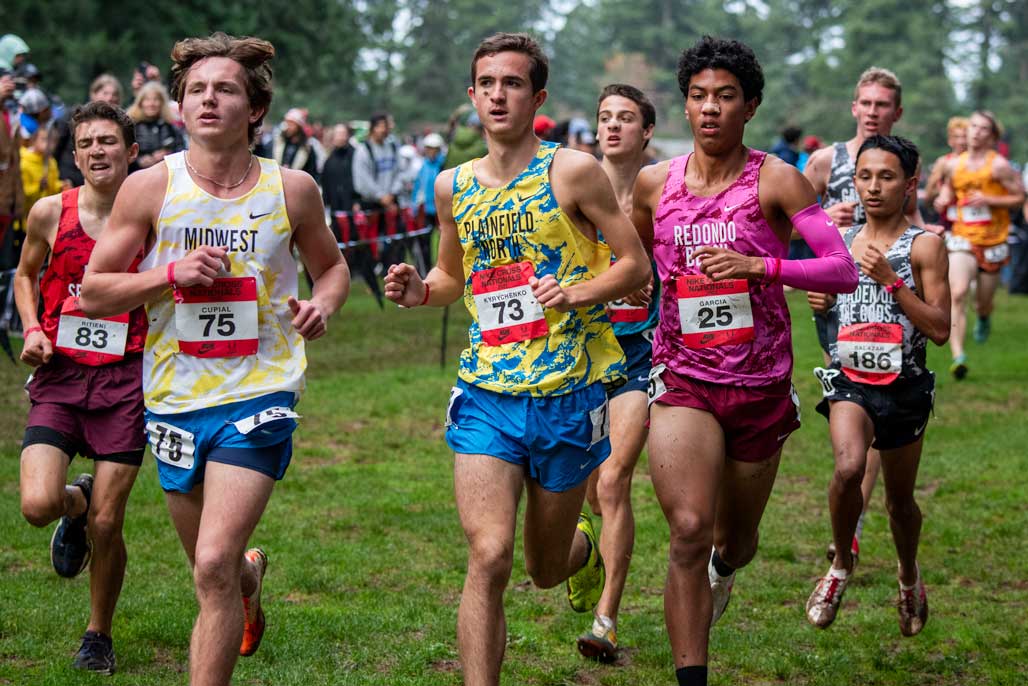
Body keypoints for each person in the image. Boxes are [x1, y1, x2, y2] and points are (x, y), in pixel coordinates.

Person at [80, 32, 350, 686]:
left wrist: (323, 305)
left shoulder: (293, 189)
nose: (208, 99)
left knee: (209, 564)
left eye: (225, 89)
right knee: (216, 569)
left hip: (261, 391)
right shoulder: (149, 188)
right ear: (179, 106)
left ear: (254, 108)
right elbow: (94, 291)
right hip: (175, 396)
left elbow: (333, 268)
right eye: (196, 89)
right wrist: (167, 274)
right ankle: (248, 580)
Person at [384, 32, 650, 686]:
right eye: (487, 84)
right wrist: (421, 290)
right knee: (489, 555)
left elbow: (635, 265)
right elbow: (452, 277)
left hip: (568, 396)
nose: (498, 95)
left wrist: (576, 291)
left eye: (512, 83)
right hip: (487, 393)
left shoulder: (573, 172)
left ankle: (581, 552)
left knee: (543, 568)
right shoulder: (452, 185)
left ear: (538, 97)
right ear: (472, 95)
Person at [632, 36, 857, 686]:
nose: (710, 108)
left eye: (725, 96)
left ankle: (725, 568)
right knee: (688, 529)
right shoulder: (655, 184)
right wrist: (634, 283)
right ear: (685, 104)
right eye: (699, 96)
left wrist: (760, 265)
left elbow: (841, 268)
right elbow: (633, 258)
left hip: (759, 387)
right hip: (682, 378)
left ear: (750, 106)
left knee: (735, 541)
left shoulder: (776, 179)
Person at [15, 101, 146, 675]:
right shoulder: (50, 212)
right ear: (75, 155)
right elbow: (25, 275)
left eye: (108, 141)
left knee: (109, 524)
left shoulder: (156, 216)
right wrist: (31, 327)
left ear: (131, 152)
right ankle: (76, 501)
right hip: (61, 375)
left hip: (128, 377)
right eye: (87, 143)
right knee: (37, 505)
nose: (98, 151)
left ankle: (98, 635)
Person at [805, 135, 949, 636]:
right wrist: (823, 302)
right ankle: (840, 565)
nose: (872, 187)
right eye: (864, 176)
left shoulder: (925, 246)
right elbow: (830, 300)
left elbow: (939, 328)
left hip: (905, 387)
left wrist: (891, 280)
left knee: (899, 504)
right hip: (851, 381)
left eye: (886, 177)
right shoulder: (840, 240)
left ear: (909, 184)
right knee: (848, 468)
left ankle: (908, 575)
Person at [803, 67, 924, 567]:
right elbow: (786, 220)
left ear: (896, 112)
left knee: (871, 402)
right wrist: (822, 222)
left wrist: (928, 244)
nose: (873, 112)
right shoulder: (825, 160)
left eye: (882, 105)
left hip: (889, 299)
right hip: (838, 299)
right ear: (854, 107)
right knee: (857, 402)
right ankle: (850, 513)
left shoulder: (901, 158)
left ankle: (850, 527)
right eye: (866, 103)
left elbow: (913, 224)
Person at [576, 82, 657, 664]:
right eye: (605, 116)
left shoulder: (661, 193)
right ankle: (588, 550)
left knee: (614, 480)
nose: (612, 126)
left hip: (639, 355)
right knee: (585, 489)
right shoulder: (573, 188)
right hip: (579, 355)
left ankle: (606, 618)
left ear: (646, 131)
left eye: (625, 117)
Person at [933, 111, 1024, 379]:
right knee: (958, 291)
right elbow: (949, 190)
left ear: (992, 136)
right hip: (962, 236)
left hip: (993, 240)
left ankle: (983, 317)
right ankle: (958, 355)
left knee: (983, 301)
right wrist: (943, 199)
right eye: (973, 126)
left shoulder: (999, 166)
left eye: (984, 128)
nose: (976, 132)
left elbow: (1019, 197)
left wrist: (989, 200)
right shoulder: (954, 165)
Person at [51, 74, 123, 189]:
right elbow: (54, 149)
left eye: (114, 94)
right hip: (68, 181)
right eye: (105, 93)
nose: (110, 98)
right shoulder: (73, 116)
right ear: (93, 94)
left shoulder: (121, 124)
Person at [923, 117, 968, 230]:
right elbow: (929, 193)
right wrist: (941, 195)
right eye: (957, 137)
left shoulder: (979, 163)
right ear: (950, 140)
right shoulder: (943, 162)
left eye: (964, 137)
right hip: (948, 220)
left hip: (973, 220)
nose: (961, 141)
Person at [127, 81, 185, 170]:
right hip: (138, 172)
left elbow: (181, 150)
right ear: (141, 103)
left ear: (162, 103)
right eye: (147, 100)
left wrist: (168, 155)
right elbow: (124, 153)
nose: (151, 104)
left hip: (166, 172)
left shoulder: (170, 126)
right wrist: (138, 160)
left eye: (156, 99)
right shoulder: (131, 127)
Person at [321, 123, 358, 218]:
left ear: (348, 135)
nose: (340, 137)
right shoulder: (329, 159)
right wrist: (325, 203)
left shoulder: (356, 155)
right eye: (337, 134)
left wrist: (358, 201)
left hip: (352, 205)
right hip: (335, 207)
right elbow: (325, 182)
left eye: (342, 134)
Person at [273, 108, 319, 181]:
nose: (288, 126)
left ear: (299, 126)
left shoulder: (307, 148)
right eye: (287, 123)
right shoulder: (279, 142)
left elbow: (312, 172)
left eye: (291, 123)